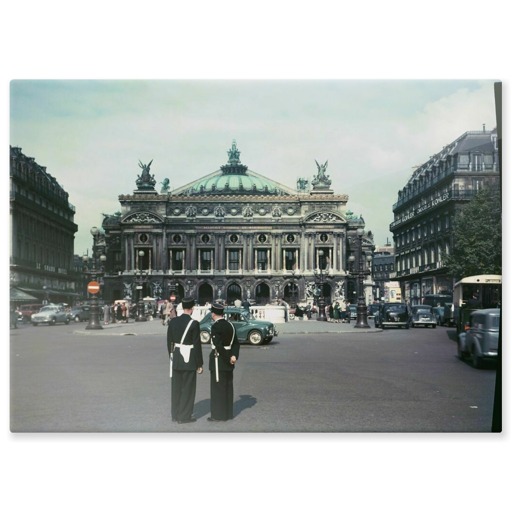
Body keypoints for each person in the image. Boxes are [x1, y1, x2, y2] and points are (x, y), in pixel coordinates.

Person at [167, 297, 203, 424]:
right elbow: (197, 345)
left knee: (176, 388)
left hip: (176, 358)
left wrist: (172, 357)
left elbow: (169, 342)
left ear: (182, 308)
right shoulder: (194, 324)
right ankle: (184, 416)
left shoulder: (173, 322)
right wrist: (199, 363)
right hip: (189, 360)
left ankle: (175, 414)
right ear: (192, 309)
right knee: (188, 389)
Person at [208, 302, 240, 422]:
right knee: (228, 387)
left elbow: (218, 345)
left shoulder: (215, 326)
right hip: (229, 359)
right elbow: (236, 343)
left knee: (217, 389)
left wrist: (227, 358)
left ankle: (218, 415)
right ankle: (228, 413)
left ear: (213, 314)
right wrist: (233, 356)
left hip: (219, 360)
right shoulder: (230, 325)